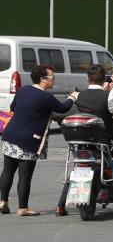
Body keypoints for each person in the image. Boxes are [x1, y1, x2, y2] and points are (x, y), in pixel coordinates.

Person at [56, 65, 113, 217]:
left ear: (87, 79)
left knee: (76, 169)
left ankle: (60, 206)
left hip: (83, 144)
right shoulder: (109, 97)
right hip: (104, 144)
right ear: (104, 80)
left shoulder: (79, 96)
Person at [0, 64, 77, 216]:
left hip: (10, 135)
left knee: (8, 170)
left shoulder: (23, 90)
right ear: (43, 79)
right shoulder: (45, 97)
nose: (54, 80)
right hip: (28, 140)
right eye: (52, 77)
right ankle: (23, 208)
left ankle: (3, 202)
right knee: (25, 175)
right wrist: (72, 97)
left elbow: (13, 107)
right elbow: (63, 108)